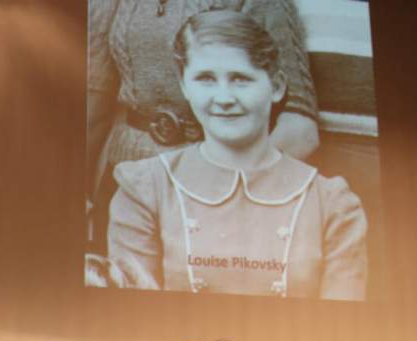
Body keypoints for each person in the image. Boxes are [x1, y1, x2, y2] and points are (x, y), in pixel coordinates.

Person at [106, 10, 367, 299]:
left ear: (277, 86)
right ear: (184, 85)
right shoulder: (145, 190)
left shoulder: (331, 204)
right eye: (205, 78)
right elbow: (137, 316)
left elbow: (340, 325)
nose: (224, 98)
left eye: (241, 79)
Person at [87, 0, 320, 251]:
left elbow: (300, 129)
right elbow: (92, 110)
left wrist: (226, 192)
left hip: (218, 190)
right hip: (126, 185)